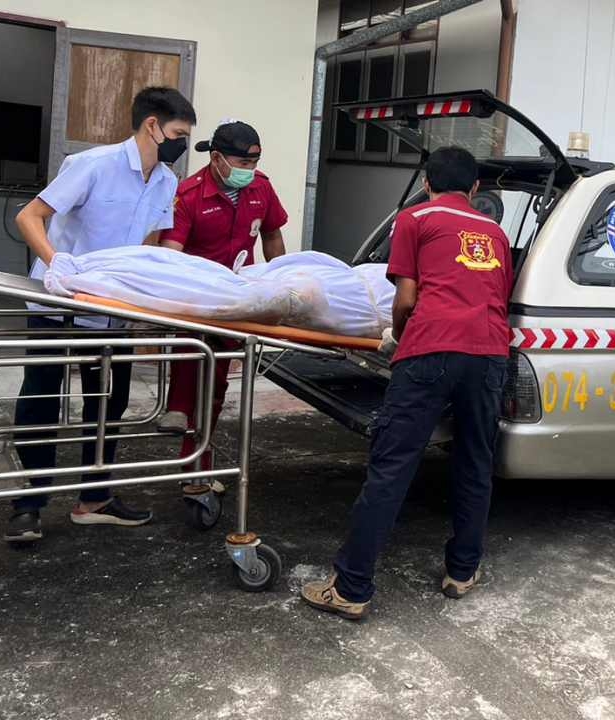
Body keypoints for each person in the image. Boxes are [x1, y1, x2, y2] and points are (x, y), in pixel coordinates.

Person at [300, 147, 512, 620]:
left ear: (427, 182)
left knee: (392, 465)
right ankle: (462, 571)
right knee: (475, 462)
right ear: (475, 189)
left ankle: (352, 588)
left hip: (430, 349)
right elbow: (497, 296)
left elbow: (407, 297)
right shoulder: (496, 233)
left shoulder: (414, 219)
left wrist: (396, 336)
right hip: (489, 355)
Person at [5, 86, 196, 544]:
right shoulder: (93, 165)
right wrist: (58, 264)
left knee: (108, 402)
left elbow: (152, 242)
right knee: (41, 399)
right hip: (61, 303)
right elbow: (29, 217)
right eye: (178, 133)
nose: (182, 144)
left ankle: (94, 498)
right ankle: (29, 505)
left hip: (112, 310)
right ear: (152, 126)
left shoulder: (166, 181)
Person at [154, 120, 289, 479]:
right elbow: (171, 253)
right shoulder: (189, 195)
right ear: (216, 158)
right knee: (198, 355)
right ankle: (186, 432)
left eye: (253, 164)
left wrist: (282, 283)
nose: (249, 171)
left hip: (239, 295)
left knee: (216, 384)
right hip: (196, 295)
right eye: (242, 164)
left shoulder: (261, 189)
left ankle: (195, 452)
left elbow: (273, 238)